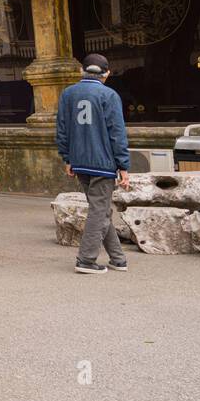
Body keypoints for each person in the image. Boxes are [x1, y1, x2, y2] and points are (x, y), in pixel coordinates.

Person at [55, 53, 130, 275]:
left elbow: (62, 129)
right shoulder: (109, 95)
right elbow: (117, 132)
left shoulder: (68, 94)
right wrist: (123, 165)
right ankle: (86, 259)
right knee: (99, 210)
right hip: (102, 162)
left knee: (101, 209)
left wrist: (67, 157)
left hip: (79, 161)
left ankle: (118, 258)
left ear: (82, 71)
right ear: (107, 73)